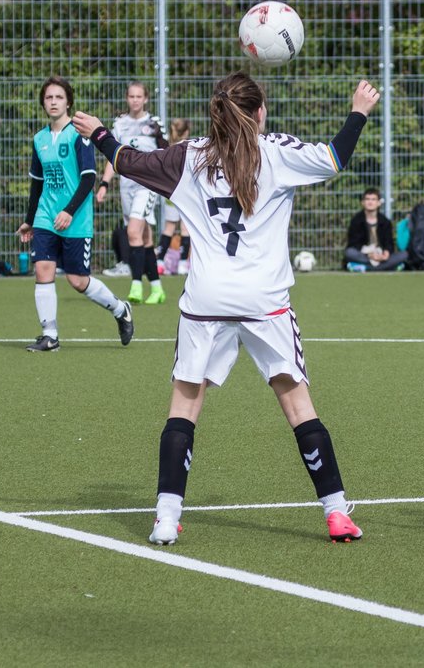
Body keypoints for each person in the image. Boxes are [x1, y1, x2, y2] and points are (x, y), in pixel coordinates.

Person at [73, 73, 378, 547]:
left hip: (207, 299)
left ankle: (166, 519)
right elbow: (336, 156)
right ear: (259, 113)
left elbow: (128, 162)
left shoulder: (188, 154)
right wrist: (358, 109)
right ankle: (337, 513)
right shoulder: (277, 151)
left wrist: (99, 133)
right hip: (264, 300)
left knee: (185, 406)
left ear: (215, 113)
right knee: (297, 405)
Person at [15, 76, 134, 352]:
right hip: (46, 216)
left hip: (76, 218)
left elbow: (88, 178)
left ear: (68, 101)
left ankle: (120, 309)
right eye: (48, 97)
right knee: (43, 269)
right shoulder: (39, 139)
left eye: (59, 97)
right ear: (43, 103)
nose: (53, 102)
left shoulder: (79, 135)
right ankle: (50, 334)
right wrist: (30, 220)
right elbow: (37, 182)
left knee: (77, 280)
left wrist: (69, 211)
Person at [96, 81, 168, 304]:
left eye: (139, 96)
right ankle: (156, 288)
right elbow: (113, 157)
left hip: (147, 186)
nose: (135, 100)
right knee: (144, 238)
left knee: (133, 231)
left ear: (146, 99)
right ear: (127, 98)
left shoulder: (154, 124)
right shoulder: (120, 124)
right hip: (126, 186)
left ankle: (136, 284)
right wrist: (104, 184)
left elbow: (167, 153)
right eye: (131, 96)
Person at [154, 118, 193, 276]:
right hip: (186, 195)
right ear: (186, 132)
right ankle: (183, 264)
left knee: (169, 227)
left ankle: (160, 261)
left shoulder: (169, 149)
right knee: (185, 228)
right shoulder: (189, 148)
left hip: (171, 194)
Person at [343, 187, 408, 271]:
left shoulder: (385, 222)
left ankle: (365, 268)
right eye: (367, 199)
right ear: (363, 202)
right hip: (365, 254)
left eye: (373, 199)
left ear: (378, 203)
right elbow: (354, 243)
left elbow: (389, 243)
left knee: (404, 254)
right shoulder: (356, 221)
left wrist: (386, 253)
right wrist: (369, 254)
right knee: (349, 253)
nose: (370, 202)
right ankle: (387, 267)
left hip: (380, 254)